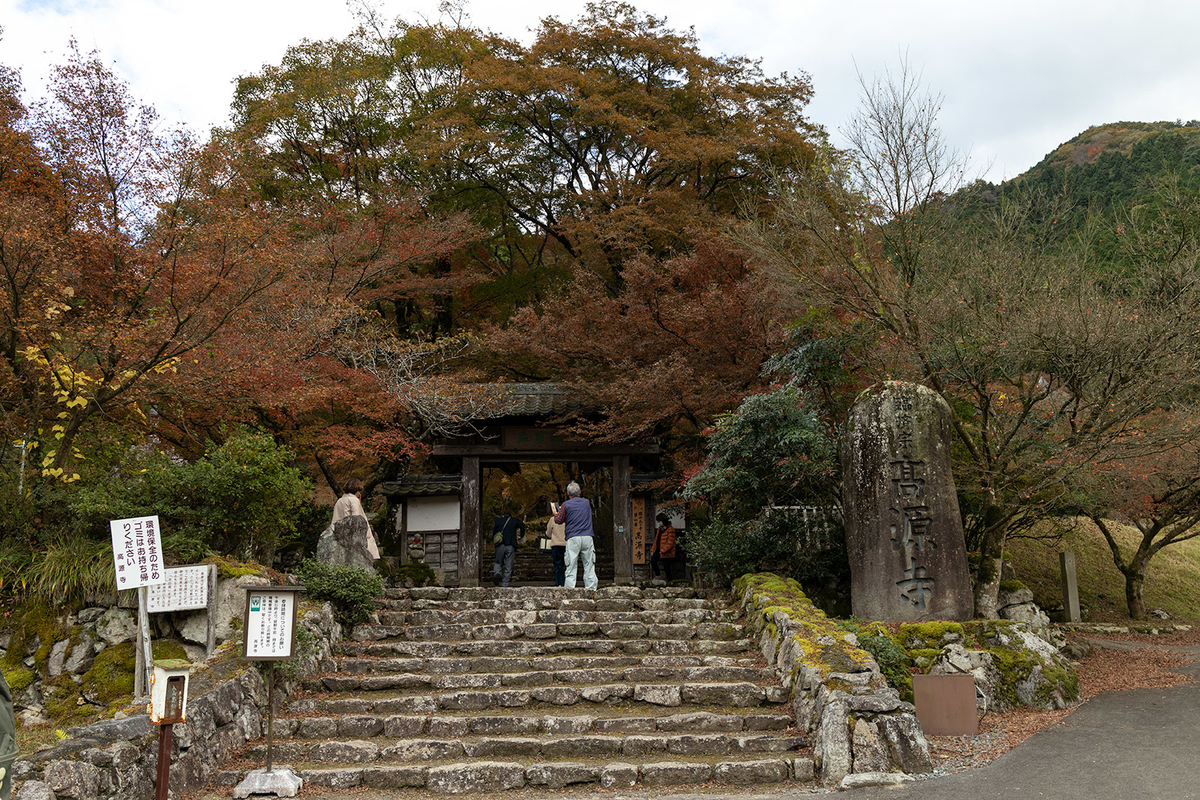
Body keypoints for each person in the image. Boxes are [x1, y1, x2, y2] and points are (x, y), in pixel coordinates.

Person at [553, 481, 597, 590]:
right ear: (580, 492)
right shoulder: (586, 502)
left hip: (573, 537)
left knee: (571, 565)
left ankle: (570, 589)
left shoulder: (565, 505)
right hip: (587, 536)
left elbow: (559, 520)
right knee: (589, 565)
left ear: (568, 493)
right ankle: (591, 589)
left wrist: (555, 514)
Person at [331, 478, 380, 560]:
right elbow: (357, 519)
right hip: (353, 535)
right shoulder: (354, 500)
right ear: (357, 490)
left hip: (340, 533)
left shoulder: (340, 501)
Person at [491, 509, 526, 587]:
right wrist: (521, 535)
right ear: (510, 516)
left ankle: (497, 573)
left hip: (500, 544)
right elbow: (522, 525)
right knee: (508, 565)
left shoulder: (498, 521)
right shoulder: (514, 520)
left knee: (498, 561)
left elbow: (494, 532)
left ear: (503, 516)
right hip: (511, 544)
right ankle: (505, 584)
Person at [651, 512, 677, 582]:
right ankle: (658, 575)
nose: (658, 523)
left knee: (666, 567)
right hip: (659, 548)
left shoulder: (670, 529)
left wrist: (663, 550)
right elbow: (656, 540)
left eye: (659, 521)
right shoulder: (660, 529)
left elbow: (670, 543)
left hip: (667, 551)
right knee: (653, 561)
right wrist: (653, 549)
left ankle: (670, 581)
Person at [546, 505, 567, 586]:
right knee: (567, 565)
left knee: (557, 565)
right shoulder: (567, 519)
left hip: (556, 544)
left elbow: (548, 533)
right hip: (566, 544)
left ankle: (558, 583)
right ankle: (566, 583)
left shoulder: (552, 519)